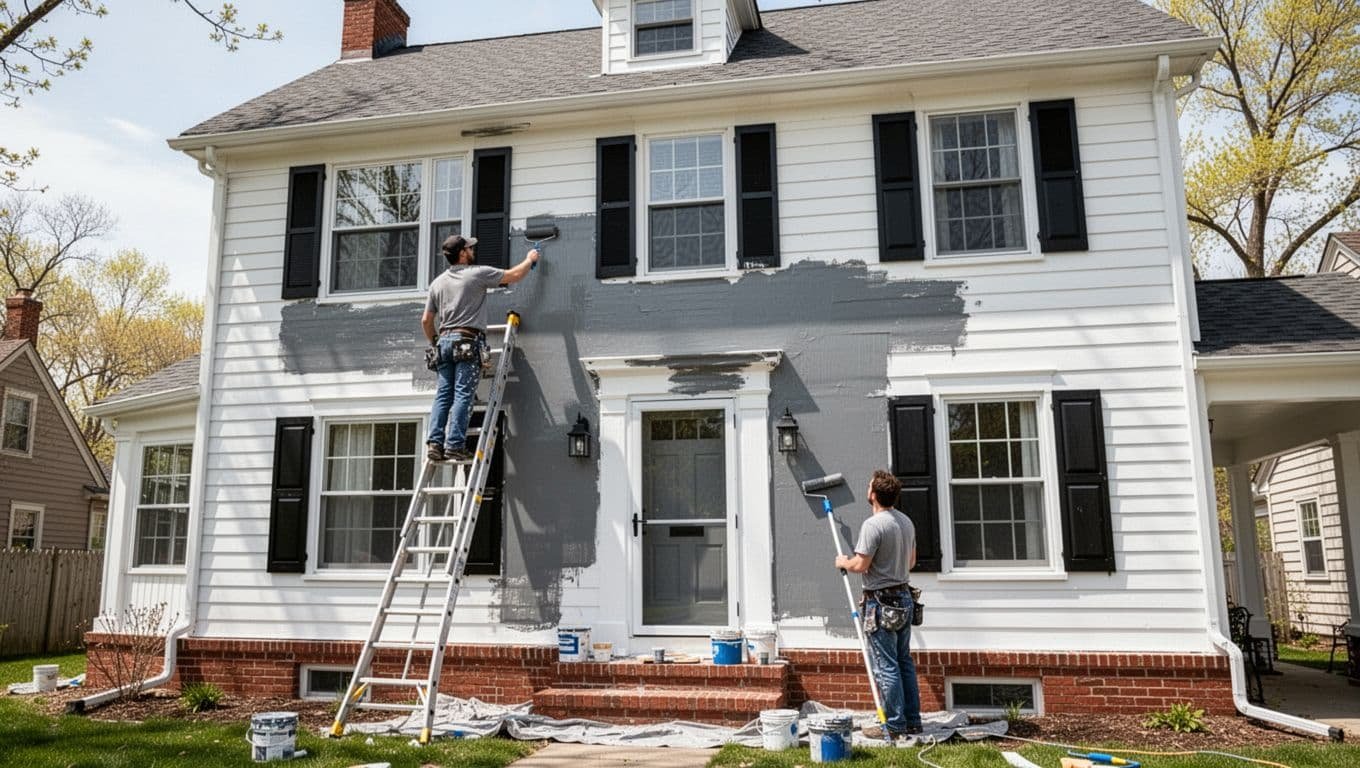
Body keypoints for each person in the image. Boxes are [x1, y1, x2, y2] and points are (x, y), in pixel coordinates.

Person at [423, 234, 539, 463]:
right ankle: (454, 445)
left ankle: (435, 444)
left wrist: (435, 341)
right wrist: (530, 258)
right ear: (463, 253)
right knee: (463, 394)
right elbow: (513, 275)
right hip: (467, 341)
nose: (472, 251)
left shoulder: (437, 283)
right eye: (469, 248)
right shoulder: (476, 274)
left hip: (444, 343)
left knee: (443, 395)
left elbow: (426, 321)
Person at [834, 469, 922, 740]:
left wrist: (843, 561)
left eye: (869, 485)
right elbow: (911, 562)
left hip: (881, 603)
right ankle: (912, 721)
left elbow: (860, 565)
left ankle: (894, 726)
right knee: (903, 661)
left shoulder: (873, 525)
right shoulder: (905, 521)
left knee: (886, 666)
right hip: (905, 598)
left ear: (873, 494)